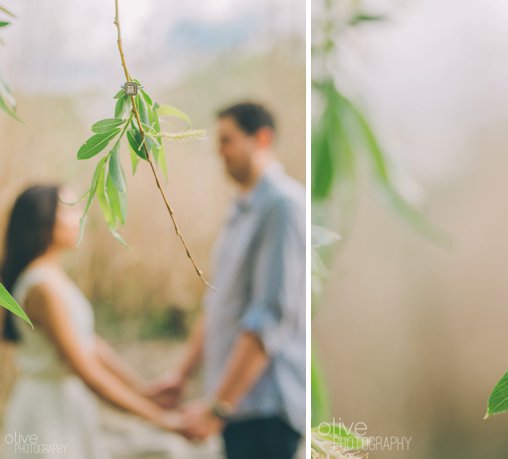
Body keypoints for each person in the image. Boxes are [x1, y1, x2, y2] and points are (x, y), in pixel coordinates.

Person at [147, 102, 307, 458]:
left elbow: (269, 317)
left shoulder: (283, 206)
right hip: (238, 408)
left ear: (261, 139)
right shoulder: (240, 210)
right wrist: (182, 375)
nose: (218, 151)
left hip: (267, 411)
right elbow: (219, 303)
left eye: (227, 140)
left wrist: (218, 407)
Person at [0, 185, 184, 459]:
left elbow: (90, 344)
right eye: (70, 209)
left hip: (64, 404)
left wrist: (143, 391)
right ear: (44, 218)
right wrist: (163, 420)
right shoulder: (42, 288)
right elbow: (86, 369)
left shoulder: (52, 277)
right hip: (48, 412)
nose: (81, 216)